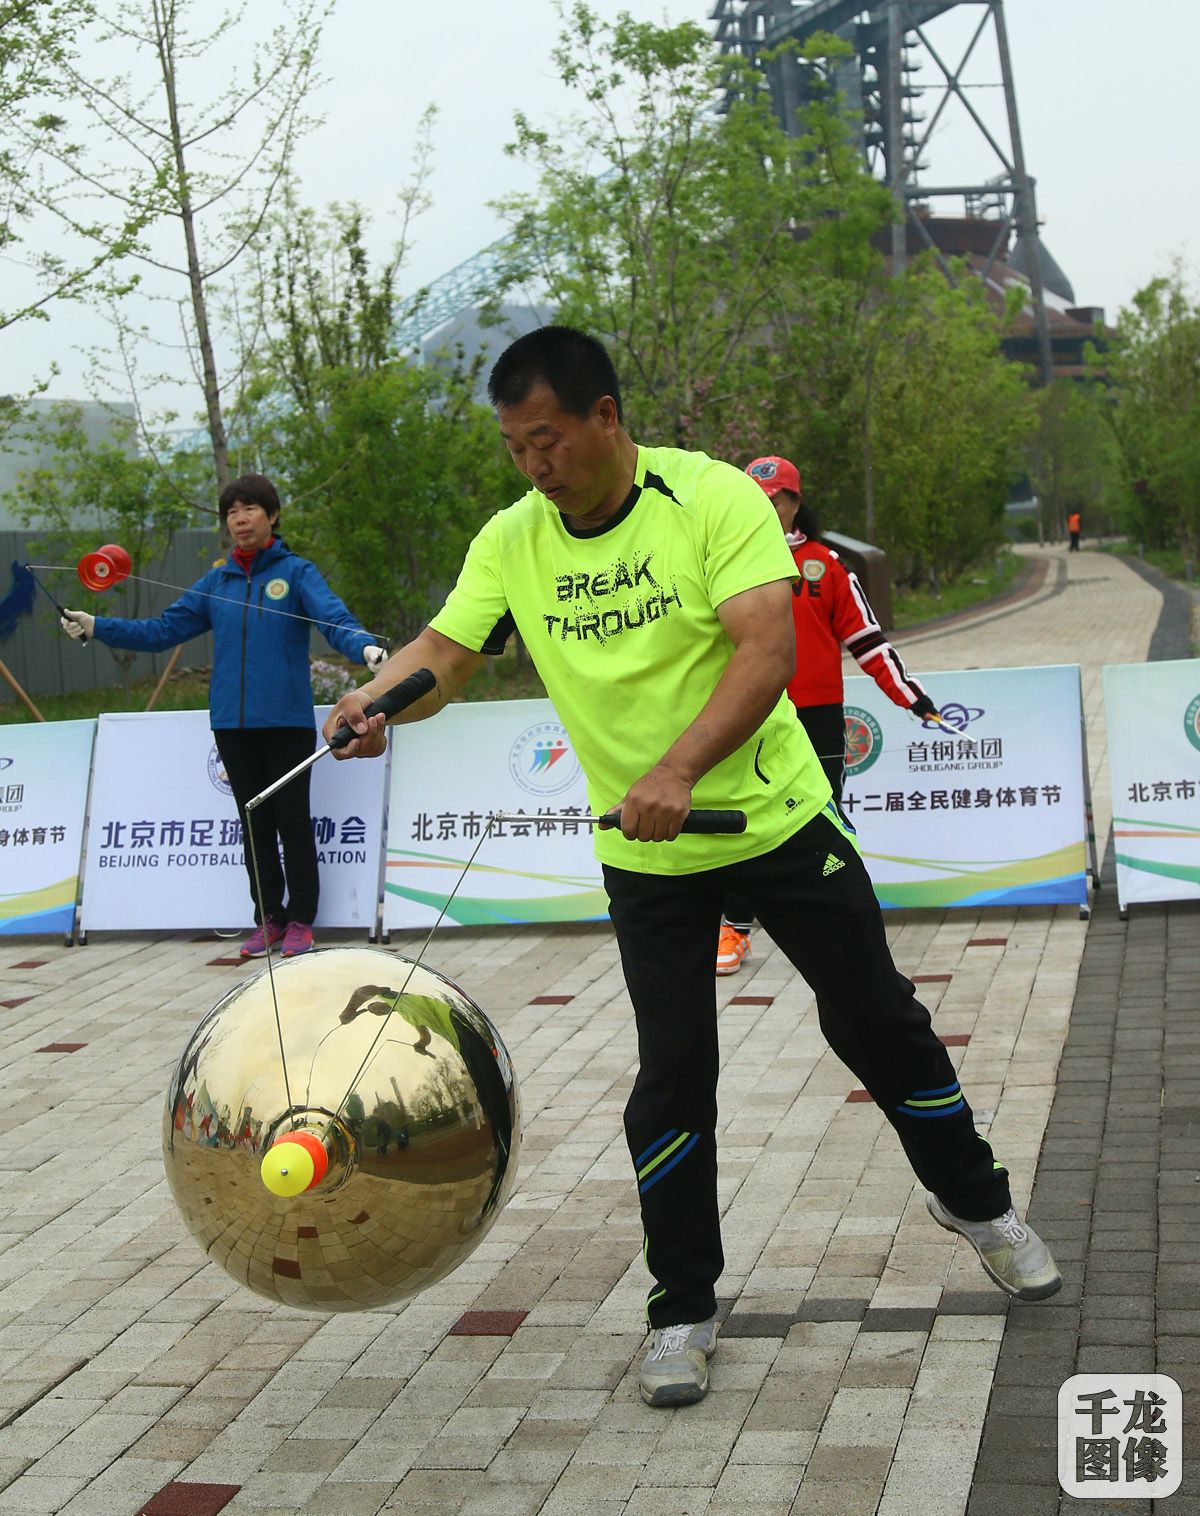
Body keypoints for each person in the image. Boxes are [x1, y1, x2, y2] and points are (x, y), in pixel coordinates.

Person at [323, 325, 1061, 1409]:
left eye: (548, 440)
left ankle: (978, 1202)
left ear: (605, 417)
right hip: (646, 853)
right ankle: (681, 1306)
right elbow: (443, 654)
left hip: (776, 818)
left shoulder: (712, 498)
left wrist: (677, 767)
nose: (534, 465)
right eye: (515, 447)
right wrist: (377, 700)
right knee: (673, 1074)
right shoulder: (513, 539)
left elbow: (767, 649)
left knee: (879, 1020)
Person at [60, 474, 384, 959]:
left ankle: (301, 920)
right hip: (232, 725)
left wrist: (364, 648)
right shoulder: (216, 582)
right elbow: (161, 631)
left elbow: (332, 619)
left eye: (250, 508)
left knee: (293, 821)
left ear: (272, 515)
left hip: (287, 720)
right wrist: (96, 626)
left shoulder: (296, 572)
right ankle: (268, 918)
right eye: (232, 512)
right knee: (253, 823)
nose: (240, 519)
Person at [716, 455, 937, 976]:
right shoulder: (723, 562)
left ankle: (844, 923)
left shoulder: (826, 564)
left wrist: (911, 697)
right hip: (750, 712)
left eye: (776, 500)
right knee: (742, 819)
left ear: (795, 502)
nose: (766, 509)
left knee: (823, 820)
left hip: (817, 713)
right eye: (756, 501)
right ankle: (734, 927)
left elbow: (867, 640)